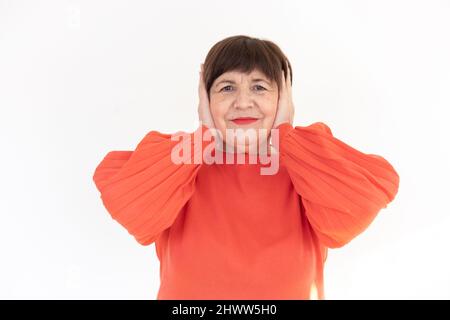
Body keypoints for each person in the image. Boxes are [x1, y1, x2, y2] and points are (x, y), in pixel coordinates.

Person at [92, 35, 400, 299]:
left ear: (284, 99)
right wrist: (206, 137)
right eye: (226, 88)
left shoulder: (308, 168)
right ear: (204, 100)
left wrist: (285, 137)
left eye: (259, 87)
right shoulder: (179, 164)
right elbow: (125, 201)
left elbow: (366, 198)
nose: (243, 102)